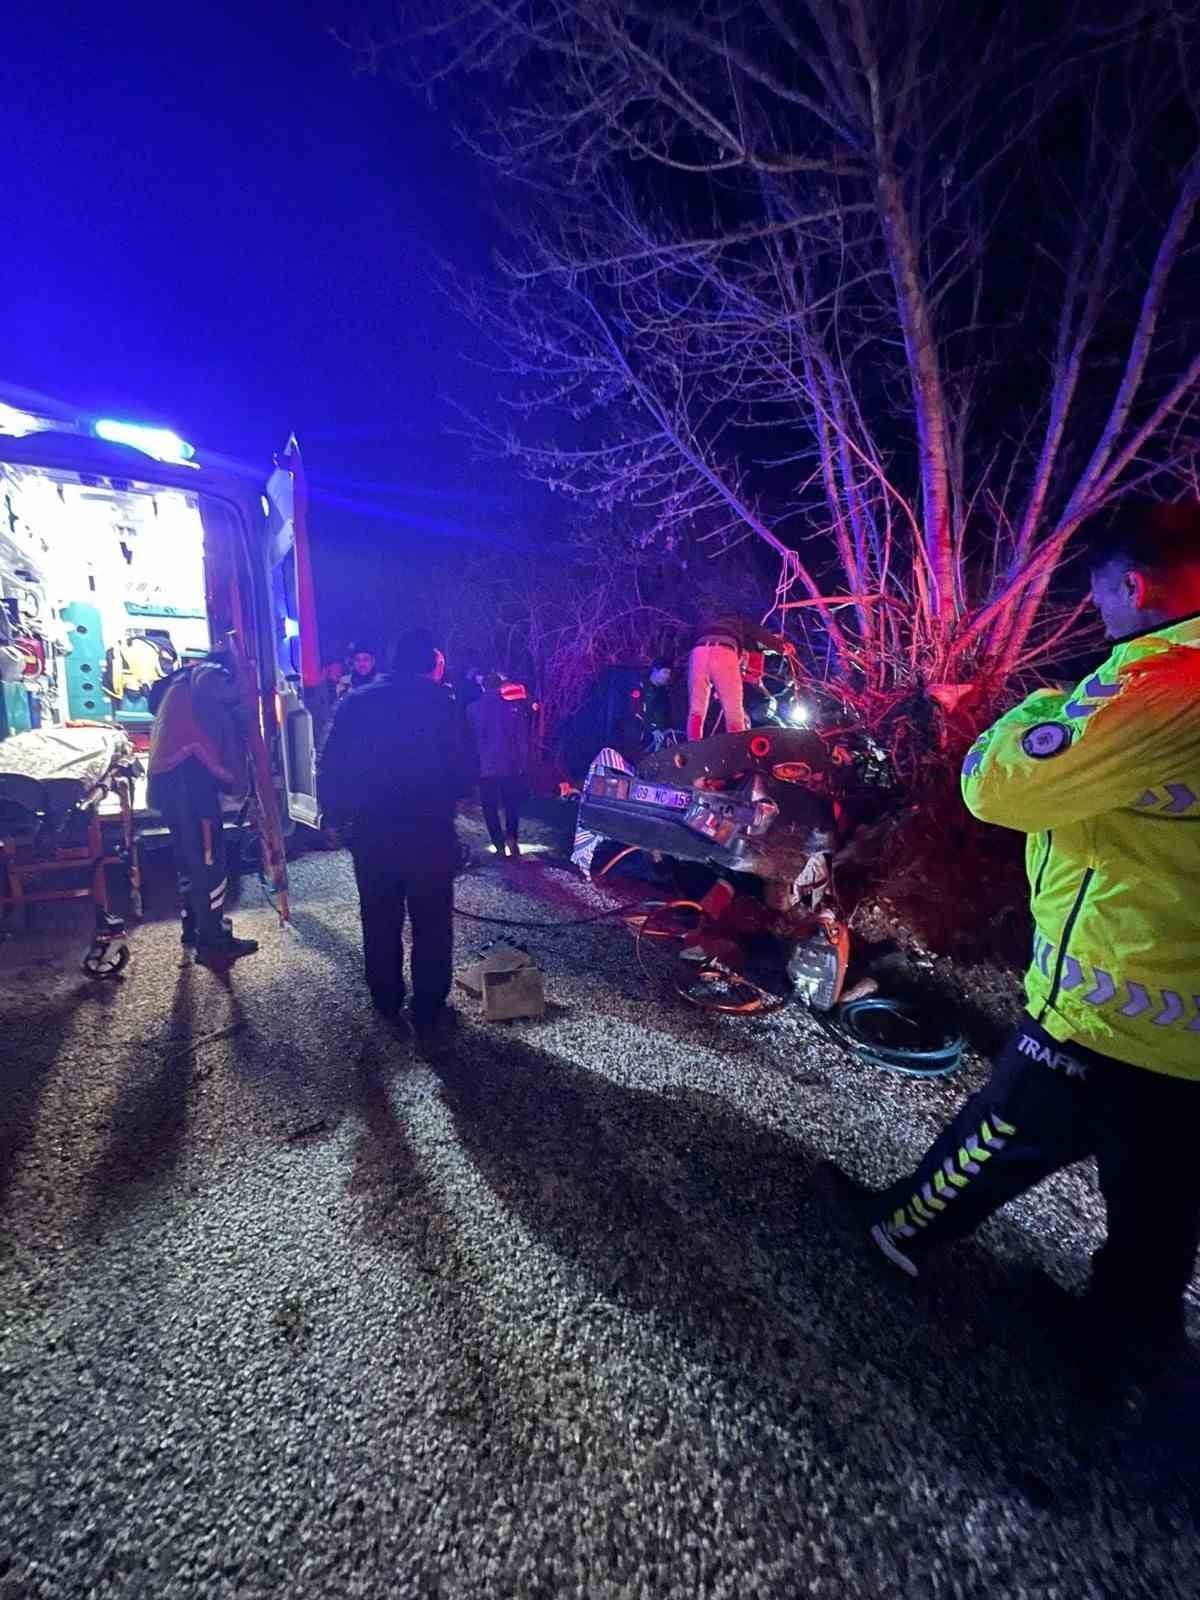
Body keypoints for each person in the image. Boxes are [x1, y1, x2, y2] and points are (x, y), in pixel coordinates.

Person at [813, 501, 1200, 1388]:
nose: (1099, 615)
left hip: (1115, 999)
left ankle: (899, 1231)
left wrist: (1016, 708)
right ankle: (1132, 1340)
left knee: (1002, 1126)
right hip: (1187, 1023)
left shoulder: (1156, 688)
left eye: (1099, 596)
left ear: (1131, 585)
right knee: (1160, 1198)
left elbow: (1003, 788)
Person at [318, 627, 477, 1034]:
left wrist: (334, 818)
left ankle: (385, 999)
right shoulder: (443, 703)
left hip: (372, 833)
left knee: (380, 916)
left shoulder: (357, 701)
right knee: (431, 920)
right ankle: (428, 1004)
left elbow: (331, 763)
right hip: (429, 832)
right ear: (429, 664)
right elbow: (466, 769)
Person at [147, 647, 259, 963]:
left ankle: (195, 927)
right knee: (209, 862)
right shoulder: (210, 674)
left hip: (171, 781)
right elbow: (223, 706)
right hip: (190, 782)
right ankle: (212, 942)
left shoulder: (179, 682)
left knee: (190, 859)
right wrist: (244, 700)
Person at [685, 610, 795, 741]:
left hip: (698, 652)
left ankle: (693, 742)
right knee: (733, 710)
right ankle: (737, 743)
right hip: (724, 651)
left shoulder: (706, 621)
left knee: (697, 708)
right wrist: (781, 648)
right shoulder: (739, 621)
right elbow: (758, 633)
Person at [468, 672, 532, 857]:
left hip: (484, 766)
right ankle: (512, 836)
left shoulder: (472, 709)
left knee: (490, 806)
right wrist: (522, 764)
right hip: (510, 765)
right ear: (500, 688)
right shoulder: (513, 709)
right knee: (511, 803)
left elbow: (470, 739)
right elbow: (521, 740)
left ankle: (498, 843)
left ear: (483, 687)